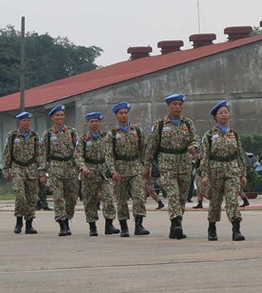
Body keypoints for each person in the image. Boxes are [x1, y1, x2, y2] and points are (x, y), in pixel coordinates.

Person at [145, 93, 199, 239]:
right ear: (168, 106)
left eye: (180, 104)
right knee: (173, 194)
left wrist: (194, 147)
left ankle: (176, 223)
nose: (177, 107)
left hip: (184, 163)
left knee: (182, 197)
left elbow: (195, 139)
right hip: (167, 164)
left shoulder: (187, 123)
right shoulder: (161, 124)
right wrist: (147, 165)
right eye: (174, 104)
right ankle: (176, 223)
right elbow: (151, 146)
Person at [198, 101, 247, 241]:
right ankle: (212, 227)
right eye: (221, 113)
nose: (224, 115)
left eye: (226, 112)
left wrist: (243, 173)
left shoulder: (234, 135)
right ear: (215, 116)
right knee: (215, 201)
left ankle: (236, 229)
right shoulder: (209, 135)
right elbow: (205, 156)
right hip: (215, 172)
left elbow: (239, 155)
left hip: (232, 171)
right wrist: (205, 174)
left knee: (232, 200)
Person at [108, 102, 150, 237]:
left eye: (126, 113)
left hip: (135, 167)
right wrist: (112, 171)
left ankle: (139, 225)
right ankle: (124, 226)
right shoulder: (112, 133)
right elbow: (109, 155)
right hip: (120, 169)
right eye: (121, 113)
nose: (124, 115)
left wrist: (146, 166)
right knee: (121, 199)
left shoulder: (136, 131)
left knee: (139, 196)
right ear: (116, 115)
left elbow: (143, 150)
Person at [74, 112, 118, 236]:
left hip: (104, 172)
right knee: (90, 200)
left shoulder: (105, 137)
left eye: (96, 121)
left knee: (109, 198)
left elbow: (111, 154)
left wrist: (113, 169)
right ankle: (92, 226)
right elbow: (78, 155)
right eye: (92, 121)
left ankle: (109, 224)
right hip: (89, 172)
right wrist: (83, 168)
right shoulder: (83, 139)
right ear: (88, 123)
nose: (94, 123)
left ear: (100, 123)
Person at [42, 105, 80, 236]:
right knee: (58, 198)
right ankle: (62, 224)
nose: (60, 117)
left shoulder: (72, 132)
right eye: (57, 115)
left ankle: (67, 218)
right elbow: (43, 154)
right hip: (56, 167)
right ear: (52, 118)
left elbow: (78, 150)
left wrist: (79, 166)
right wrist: (42, 171)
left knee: (71, 198)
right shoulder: (48, 134)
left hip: (70, 167)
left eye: (62, 115)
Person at [2, 111, 42, 235]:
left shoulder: (34, 136)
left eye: (28, 120)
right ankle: (19, 220)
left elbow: (38, 155)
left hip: (31, 168)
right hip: (17, 167)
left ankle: (29, 224)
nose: (26, 123)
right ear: (19, 122)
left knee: (32, 197)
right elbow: (8, 153)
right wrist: (6, 169)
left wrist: (41, 171)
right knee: (20, 195)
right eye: (24, 120)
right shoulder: (13, 135)